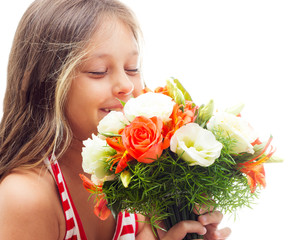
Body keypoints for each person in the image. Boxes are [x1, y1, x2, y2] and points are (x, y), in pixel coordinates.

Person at [0, 0, 231, 239]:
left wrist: (186, 229)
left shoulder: (136, 178)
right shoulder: (26, 196)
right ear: (46, 84)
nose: (126, 85)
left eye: (132, 68)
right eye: (98, 71)